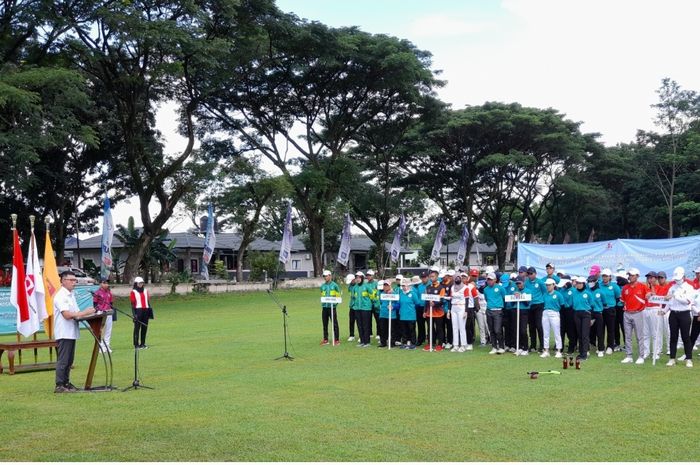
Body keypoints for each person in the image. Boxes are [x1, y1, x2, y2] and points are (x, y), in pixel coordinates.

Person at [54, 271, 95, 393]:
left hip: (71, 331)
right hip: (64, 331)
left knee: (69, 360)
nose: (74, 283)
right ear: (63, 281)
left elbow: (76, 314)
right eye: (71, 280)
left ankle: (66, 382)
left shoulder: (71, 295)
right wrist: (85, 312)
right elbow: (66, 315)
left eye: (75, 280)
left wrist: (89, 314)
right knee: (64, 360)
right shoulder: (60, 296)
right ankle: (60, 385)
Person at [664, 267, 695, 367]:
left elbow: (687, 301)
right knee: (673, 337)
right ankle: (672, 358)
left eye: (679, 278)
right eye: (676, 279)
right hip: (673, 314)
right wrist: (664, 311)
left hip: (685, 314)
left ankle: (689, 359)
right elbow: (669, 302)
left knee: (685, 337)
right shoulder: (672, 288)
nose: (677, 280)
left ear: (684, 277)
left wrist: (675, 296)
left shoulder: (689, 288)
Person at [620, 268, 647, 364]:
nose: (630, 277)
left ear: (637, 276)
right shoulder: (625, 287)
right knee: (627, 336)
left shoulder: (643, 287)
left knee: (639, 336)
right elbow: (622, 299)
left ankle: (641, 356)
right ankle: (629, 356)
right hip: (627, 313)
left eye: (632, 275)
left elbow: (648, 296)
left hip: (638, 313)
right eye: (629, 275)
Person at [599, 269, 621, 355]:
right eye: (603, 276)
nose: (604, 277)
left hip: (610, 309)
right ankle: (601, 347)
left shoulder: (614, 286)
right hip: (601, 309)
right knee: (601, 329)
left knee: (611, 329)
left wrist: (611, 304)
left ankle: (610, 346)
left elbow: (617, 297)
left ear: (610, 277)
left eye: (606, 276)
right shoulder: (599, 285)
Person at [571, 276, 594, 361]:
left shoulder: (588, 293)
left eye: (580, 283)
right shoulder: (574, 292)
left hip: (586, 314)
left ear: (584, 284)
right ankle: (581, 353)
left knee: (585, 334)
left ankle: (584, 354)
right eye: (577, 283)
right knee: (579, 334)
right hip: (577, 313)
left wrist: (592, 318)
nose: (579, 285)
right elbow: (572, 304)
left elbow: (592, 305)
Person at [641, 271, 663, 361]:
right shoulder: (645, 287)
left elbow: (661, 299)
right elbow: (643, 297)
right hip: (646, 309)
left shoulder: (659, 287)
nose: (649, 279)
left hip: (655, 309)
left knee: (655, 333)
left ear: (655, 278)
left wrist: (652, 292)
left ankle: (656, 352)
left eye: (651, 277)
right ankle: (646, 352)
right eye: (648, 277)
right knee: (645, 333)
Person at [423, 267, 446, 351]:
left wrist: (435, 304)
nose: (431, 278)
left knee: (439, 329)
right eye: (430, 276)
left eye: (433, 276)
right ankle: (430, 344)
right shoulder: (428, 287)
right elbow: (426, 300)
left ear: (437, 277)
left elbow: (442, 300)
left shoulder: (441, 287)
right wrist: (425, 311)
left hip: (438, 312)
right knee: (430, 328)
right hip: (429, 313)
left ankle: (440, 344)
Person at [483, 272, 506, 354]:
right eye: (488, 280)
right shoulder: (485, 289)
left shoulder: (500, 288)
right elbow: (486, 299)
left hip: (498, 310)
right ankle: (494, 347)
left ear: (495, 280)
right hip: (489, 310)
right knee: (491, 330)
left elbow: (504, 297)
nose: (489, 281)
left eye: (491, 280)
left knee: (497, 330)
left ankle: (501, 346)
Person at [524, 266, 545, 352]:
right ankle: (533, 345)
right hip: (530, 306)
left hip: (539, 305)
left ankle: (542, 346)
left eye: (531, 273)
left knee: (539, 326)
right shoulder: (526, 282)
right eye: (528, 274)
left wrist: (542, 301)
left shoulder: (540, 282)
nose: (530, 275)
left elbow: (544, 292)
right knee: (531, 327)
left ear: (535, 274)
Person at [541, 278, 564, 358]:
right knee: (546, 333)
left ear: (554, 285)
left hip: (554, 313)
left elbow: (562, 304)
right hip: (545, 313)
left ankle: (558, 351)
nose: (548, 286)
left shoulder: (558, 294)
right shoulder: (545, 294)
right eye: (547, 285)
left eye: (549, 285)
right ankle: (546, 350)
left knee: (557, 332)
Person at [130, 276, 153, 349]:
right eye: (139, 283)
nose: (141, 284)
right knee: (137, 328)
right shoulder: (133, 292)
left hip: (145, 310)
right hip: (138, 310)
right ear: (136, 284)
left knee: (144, 327)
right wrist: (134, 314)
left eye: (142, 283)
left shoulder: (146, 291)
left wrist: (150, 312)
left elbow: (148, 301)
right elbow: (133, 304)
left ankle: (143, 343)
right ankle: (136, 344)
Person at [93, 277, 115, 353]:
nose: (106, 284)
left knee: (108, 330)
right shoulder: (97, 293)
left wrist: (111, 309)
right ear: (100, 284)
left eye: (107, 283)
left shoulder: (109, 292)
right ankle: (100, 347)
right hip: (100, 312)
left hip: (108, 312)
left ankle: (106, 346)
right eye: (104, 283)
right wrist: (98, 311)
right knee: (100, 330)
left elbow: (111, 303)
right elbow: (95, 304)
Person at [351, 271, 372, 347]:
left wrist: (372, 305)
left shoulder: (367, 286)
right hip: (357, 308)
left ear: (362, 278)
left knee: (366, 325)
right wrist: (353, 306)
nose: (358, 279)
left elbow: (372, 296)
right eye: (356, 278)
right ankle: (362, 341)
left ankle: (367, 342)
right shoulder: (355, 287)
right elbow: (353, 298)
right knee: (359, 325)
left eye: (359, 277)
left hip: (366, 308)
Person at [449, 273, 470, 352]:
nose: (457, 279)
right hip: (453, 307)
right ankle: (455, 345)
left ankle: (463, 345)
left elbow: (467, 299)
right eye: (456, 278)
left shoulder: (465, 288)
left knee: (461, 327)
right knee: (454, 327)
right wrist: (449, 310)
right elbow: (450, 299)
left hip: (461, 307)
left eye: (459, 277)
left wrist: (466, 311)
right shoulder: (452, 288)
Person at [398, 278, 421, 349]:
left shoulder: (413, 294)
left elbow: (417, 303)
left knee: (412, 330)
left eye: (406, 286)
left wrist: (411, 308)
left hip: (411, 316)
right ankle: (404, 343)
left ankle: (413, 343)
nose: (405, 287)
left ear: (409, 286)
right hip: (403, 315)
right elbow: (398, 304)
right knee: (404, 331)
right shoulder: (401, 294)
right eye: (403, 286)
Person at [320, 270, 341, 346]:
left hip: (332, 308)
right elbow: (322, 296)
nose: (325, 277)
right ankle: (325, 339)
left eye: (326, 276)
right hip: (324, 307)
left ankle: (337, 339)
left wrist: (335, 304)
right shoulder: (322, 286)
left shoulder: (335, 285)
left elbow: (338, 297)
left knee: (335, 323)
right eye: (324, 276)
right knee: (325, 324)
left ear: (330, 276)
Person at [587, 275, 605, 357]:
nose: (590, 283)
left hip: (598, 313)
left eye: (592, 281)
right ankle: (587, 348)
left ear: (596, 282)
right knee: (587, 332)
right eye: (589, 281)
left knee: (599, 331)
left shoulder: (600, 291)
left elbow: (604, 303)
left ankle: (601, 349)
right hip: (589, 313)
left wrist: (599, 309)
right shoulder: (587, 291)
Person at [463, 270, 480, 351]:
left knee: (468, 326)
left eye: (464, 277)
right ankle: (463, 342)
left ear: (467, 278)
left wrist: (477, 307)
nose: (463, 279)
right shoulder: (457, 286)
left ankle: (469, 342)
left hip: (469, 308)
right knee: (461, 326)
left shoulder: (471, 286)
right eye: (461, 277)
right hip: (460, 308)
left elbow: (475, 297)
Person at [414, 272, 429, 346]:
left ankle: (430, 339)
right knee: (420, 324)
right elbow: (417, 297)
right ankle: (421, 338)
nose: (423, 279)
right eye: (422, 278)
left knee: (429, 324)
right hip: (420, 306)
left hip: (429, 307)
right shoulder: (419, 286)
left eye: (425, 277)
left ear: (427, 277)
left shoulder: (431, 285)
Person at [366, 270, 380, 340]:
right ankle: (370, 333)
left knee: (377, 319)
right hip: (368, 304)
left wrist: (377, 302)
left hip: (376, 304)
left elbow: (378, 293)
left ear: (372, 276)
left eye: (369, 275)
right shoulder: (366, 284)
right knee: (368, 319)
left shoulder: (376, 283)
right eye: (367, 275)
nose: (368, 276)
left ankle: (378, 333)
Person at [346, 274, 359, 342]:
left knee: (359, 322)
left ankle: (361, 335)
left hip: (358, 307)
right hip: (352, 306)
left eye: (351, 281)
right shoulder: (350, 287)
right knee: (351, 321)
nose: (350, 283)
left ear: (354, 280)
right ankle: (351, 335)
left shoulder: (358, 286)